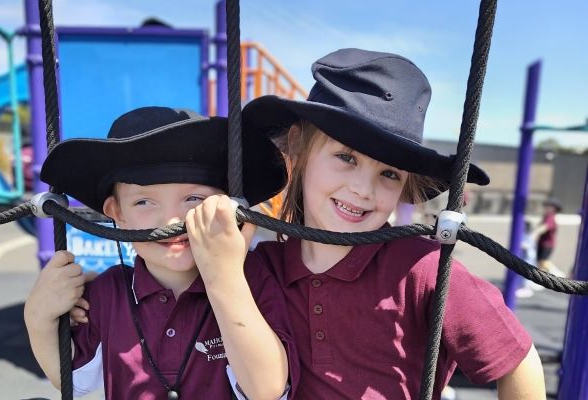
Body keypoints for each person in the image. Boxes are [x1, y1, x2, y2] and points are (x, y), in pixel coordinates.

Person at [195, 49, 545, 399]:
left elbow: (519, 361)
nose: (363, 190)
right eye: (346, 157)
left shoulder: (423, 268)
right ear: (298, 146)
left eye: (389, 174)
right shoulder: (263, 267)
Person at [24, 107, 298, 399]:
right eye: (144, 202)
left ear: (229, 205)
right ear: (118, 213)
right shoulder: (109, 291)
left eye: (194, 198)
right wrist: (38, 317)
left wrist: (224, 279)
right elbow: (73, 379)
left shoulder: (253, 278)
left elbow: (267, 390)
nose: (170, 221)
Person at [535, 198, 564, 277]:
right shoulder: (546, 217)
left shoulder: (550, 217)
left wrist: (535, 233)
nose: (546, 208)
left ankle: (558, 275)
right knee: (540, 263)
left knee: (543, 262)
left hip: (547, 245)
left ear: (553, 209)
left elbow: (545, 227)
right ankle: (542, 277)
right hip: (542, 244)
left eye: (548, 206)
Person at [516, 220, 539, 298]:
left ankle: (527, 288)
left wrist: (522, 245)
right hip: (524, 257)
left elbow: (529, 246)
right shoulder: (523, 234)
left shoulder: (529, 235)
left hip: (529, 257)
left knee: (527, 273)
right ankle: (523, 287)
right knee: (521, 272)